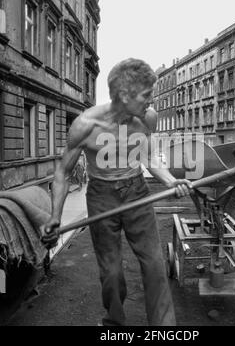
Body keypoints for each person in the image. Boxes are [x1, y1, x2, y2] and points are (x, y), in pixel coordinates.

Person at [41, 58, 193, 326]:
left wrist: (170, 181)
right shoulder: (85, 125)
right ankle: (114, 322)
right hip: (102, 197)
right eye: (146, 95)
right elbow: (63, 173)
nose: (151, 101)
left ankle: (164, 327)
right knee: (111, 273)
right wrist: (56, 216)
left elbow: (149, 159)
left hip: (137, 191)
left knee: (155, 265)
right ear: (124, 95)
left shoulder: (148, 118)